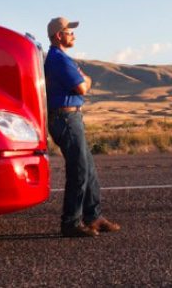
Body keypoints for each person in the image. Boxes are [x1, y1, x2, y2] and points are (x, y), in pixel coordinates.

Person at [44, 16, 121, 237]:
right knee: (78, 170)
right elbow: (82, 86)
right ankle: (70, 222)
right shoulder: (59, 60)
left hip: (70, 118)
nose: (74, 35)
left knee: (88, 169)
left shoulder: (61, 59)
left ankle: (93, 216)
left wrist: (84, 79)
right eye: (70, 31)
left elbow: (83, 81)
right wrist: (85, 80)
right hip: (65, 119)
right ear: (59, 35)